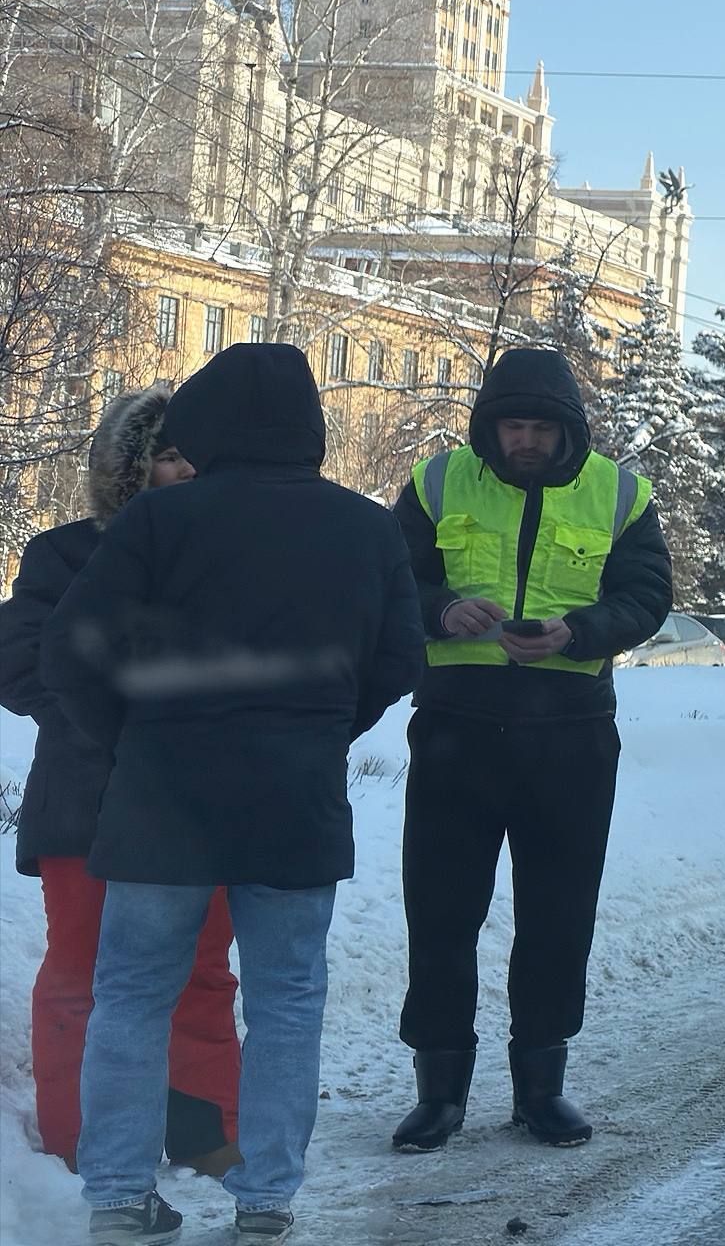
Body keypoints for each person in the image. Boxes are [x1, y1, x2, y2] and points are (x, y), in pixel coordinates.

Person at [40, 344, 425, 1244]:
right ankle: (266, 1202)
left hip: (160, 797)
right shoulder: (364, 528)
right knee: (287, 1001)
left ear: (207, 424)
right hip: (295, 797)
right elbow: (399, 658)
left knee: (131, 996)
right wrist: (321, 728)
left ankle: (118, 1198)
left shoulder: (159, 518)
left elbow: (70, 651)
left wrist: (130, 740)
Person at [389, 346, 671, 1153]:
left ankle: (541, 1089)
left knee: (558, 915)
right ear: (489, 425)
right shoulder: (437, 482)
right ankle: (439, 1092)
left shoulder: (620, 493)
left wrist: (577, 631)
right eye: (512, 426)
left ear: (567, 431)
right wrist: (442, 610)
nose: (525, 440)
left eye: (540, 428)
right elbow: (390, 577)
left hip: (570, 735)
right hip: (457, 730)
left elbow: (647, 594)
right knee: (441, 914)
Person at [0, 388, 242, 1178]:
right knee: (82, 976)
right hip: (86, 803)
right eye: (167, 455)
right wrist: (113, 719)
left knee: (200, 974)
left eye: (195, 456)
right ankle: (77, 1143)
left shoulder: (233, 557)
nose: (185, 470)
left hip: (200, 807)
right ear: (128, 468)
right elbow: (19, 661)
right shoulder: (63, 554)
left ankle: (204, 1135)